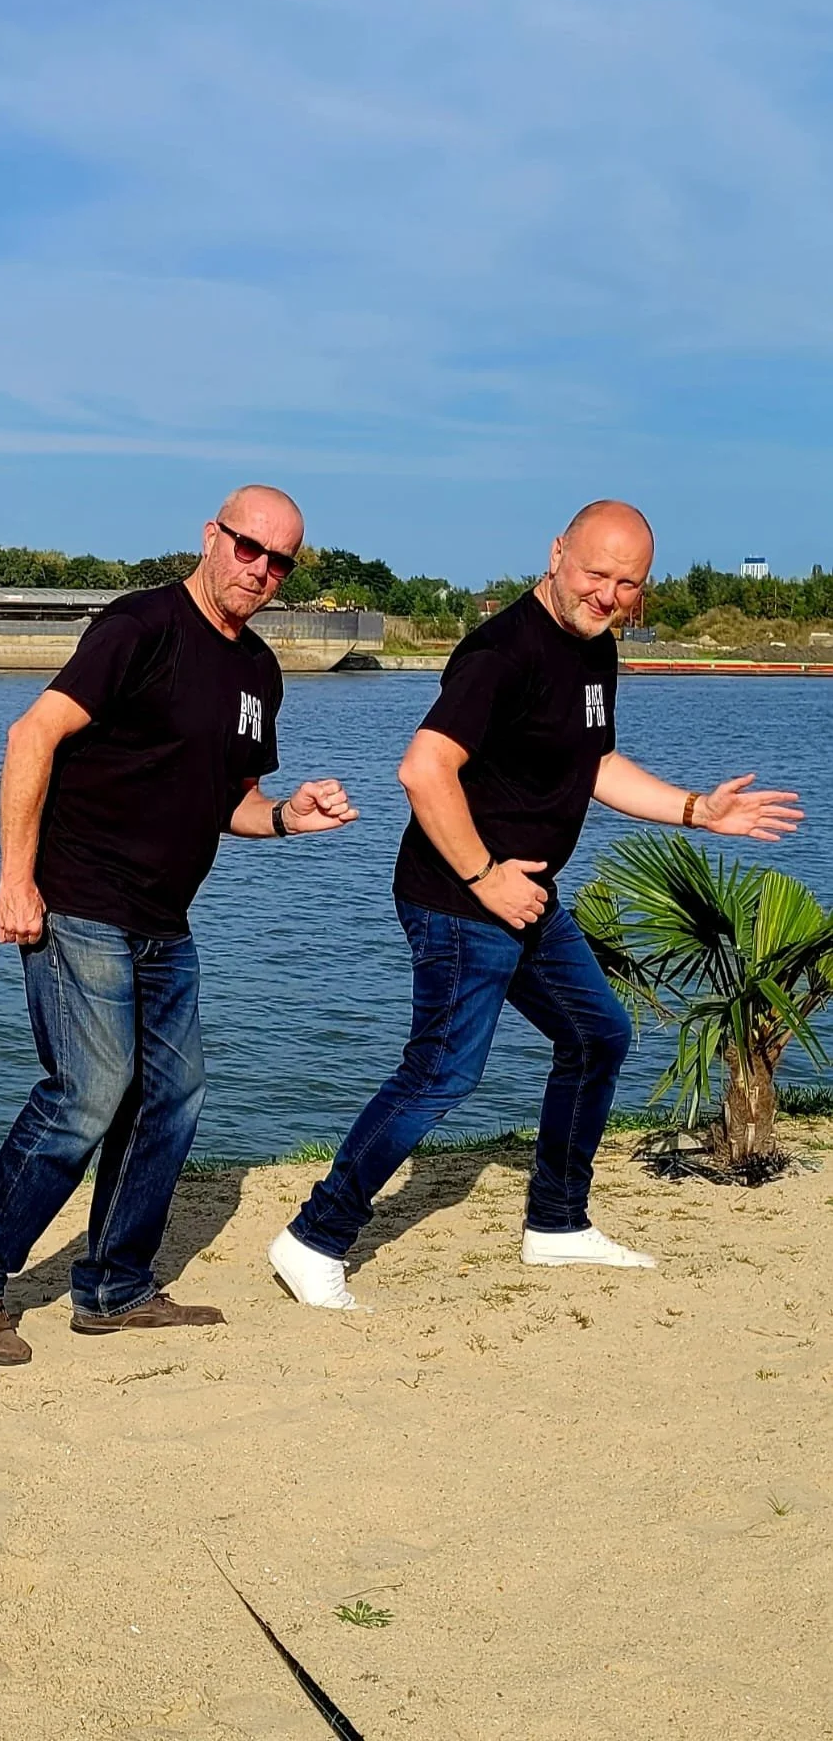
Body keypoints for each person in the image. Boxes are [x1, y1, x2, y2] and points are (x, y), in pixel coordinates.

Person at [271, 500, 804, 1310]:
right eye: (595, 574)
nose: (608, 595)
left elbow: (594, 764)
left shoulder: (594, 651)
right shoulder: (500, 652)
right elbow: (422, 771)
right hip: (458, 898)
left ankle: (555, 1224)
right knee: (442, 1071)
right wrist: (485, 874)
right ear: (556, 554)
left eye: (627, 584)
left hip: (525, 899)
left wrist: (697, 809)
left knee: (597, 1036)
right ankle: (314, 1237)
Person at [0, 487, 358, 1368]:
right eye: (246, 548)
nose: (259, 571)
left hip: (165, 919)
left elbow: (232, 799)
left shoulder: (258, 673)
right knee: (88, 1092)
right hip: (78, 898)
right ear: (210, 537)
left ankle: (114, 1289)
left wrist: (284, 818)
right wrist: (14, 881)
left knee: (171, 1097)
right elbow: (32, 734)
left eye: (279, 561)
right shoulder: (139, 627)